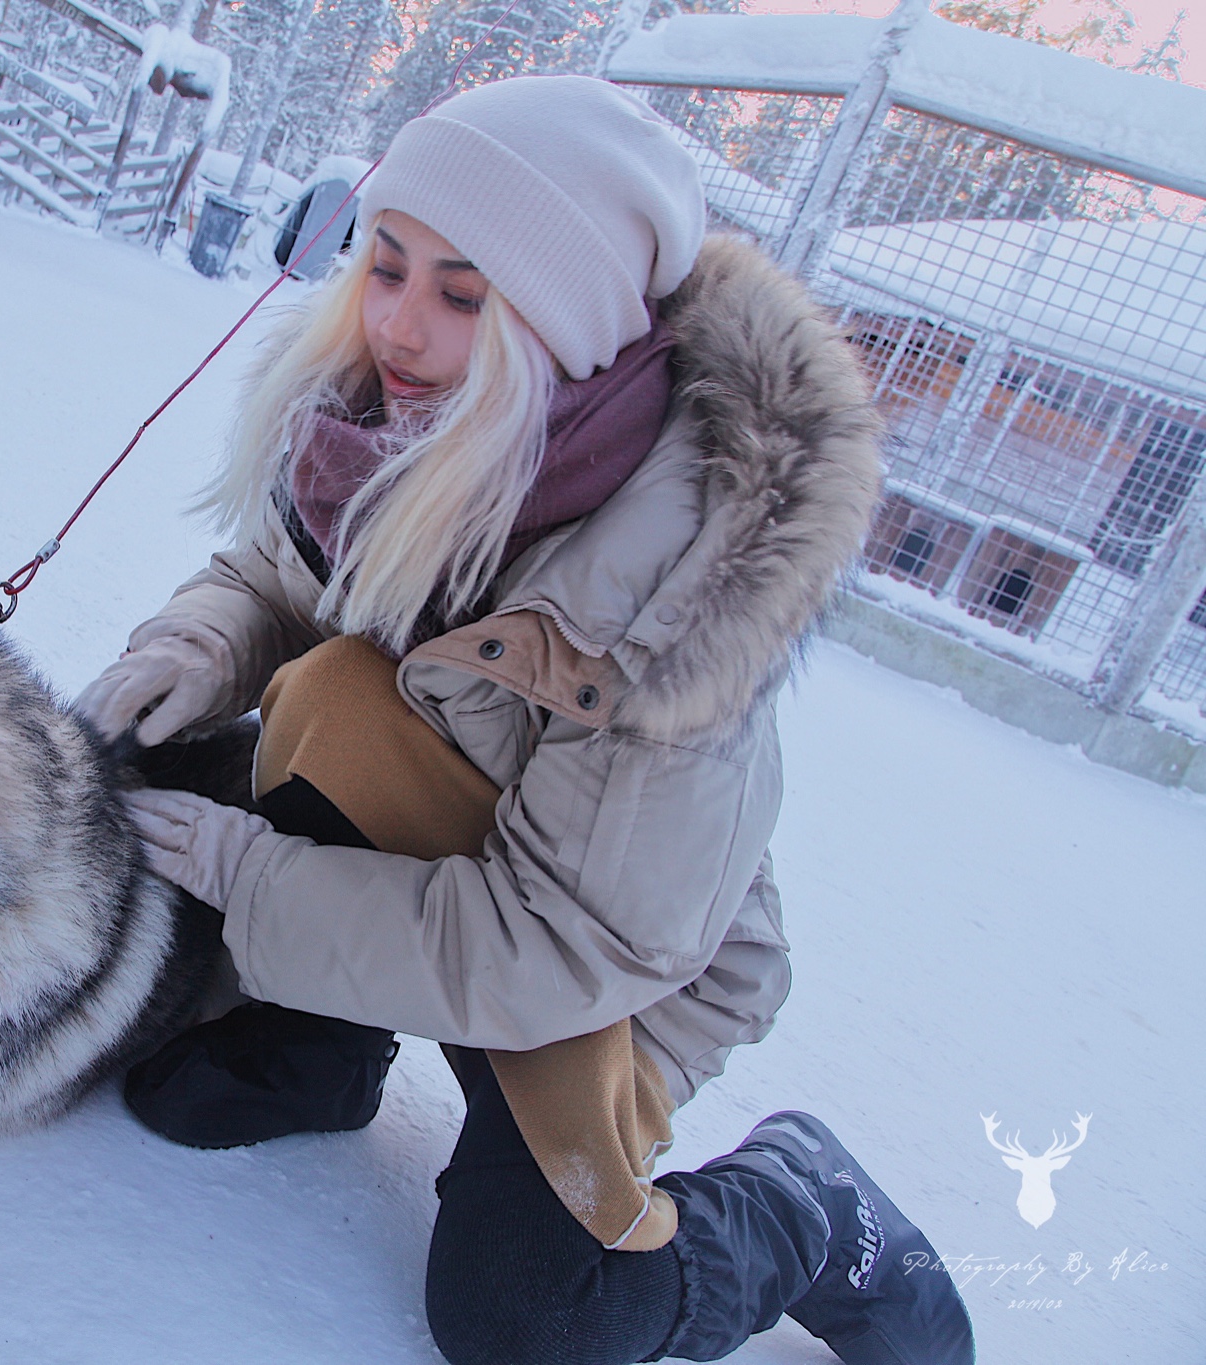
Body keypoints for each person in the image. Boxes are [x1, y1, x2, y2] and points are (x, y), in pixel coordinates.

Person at [75, 76, 977, 1365]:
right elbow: (281, 576)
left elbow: (561, 945)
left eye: (463, 294)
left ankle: (802, 1209)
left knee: (530, 1318)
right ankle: (316, 1050)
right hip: (463, 848)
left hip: (616, 965)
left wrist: (248, 877)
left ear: (571, 327)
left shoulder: (674, 588)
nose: (398, 322)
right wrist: (196, 646)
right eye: (385, 264)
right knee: (331, 690)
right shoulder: (405, 419)